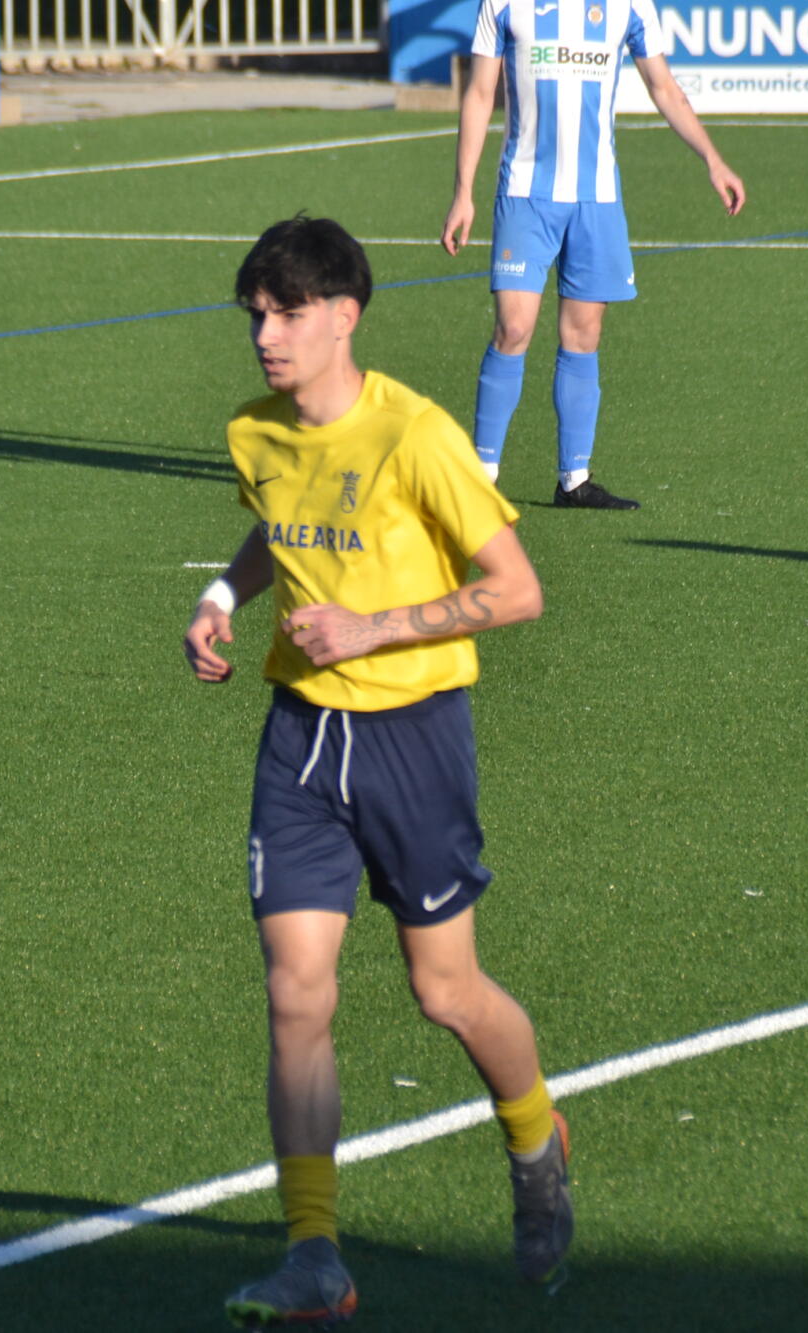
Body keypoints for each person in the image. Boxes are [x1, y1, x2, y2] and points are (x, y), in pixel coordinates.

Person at [184, 216, 571, 1328]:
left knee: (443, 990)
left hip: (413, 737)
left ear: (344, 317)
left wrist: (375, 627)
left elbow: (518, 590)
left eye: (287, 313)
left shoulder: (416, 436)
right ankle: (314, 1255)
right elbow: (281, 526)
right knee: (295, 992)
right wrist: (220, 596)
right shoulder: (253, 433)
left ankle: (535, 1137)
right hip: (301, 739)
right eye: (255, 314)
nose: (265, 334)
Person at [442, 0, 745, 508]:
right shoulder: (502, 3)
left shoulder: (630, 5)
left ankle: (574, 479)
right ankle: (481, 474)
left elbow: (663, 87)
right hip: (525, 194)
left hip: (597, 198)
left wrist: (712, 159)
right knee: (513, 327)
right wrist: (463, 193)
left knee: (583, 333)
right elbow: (478, 93)